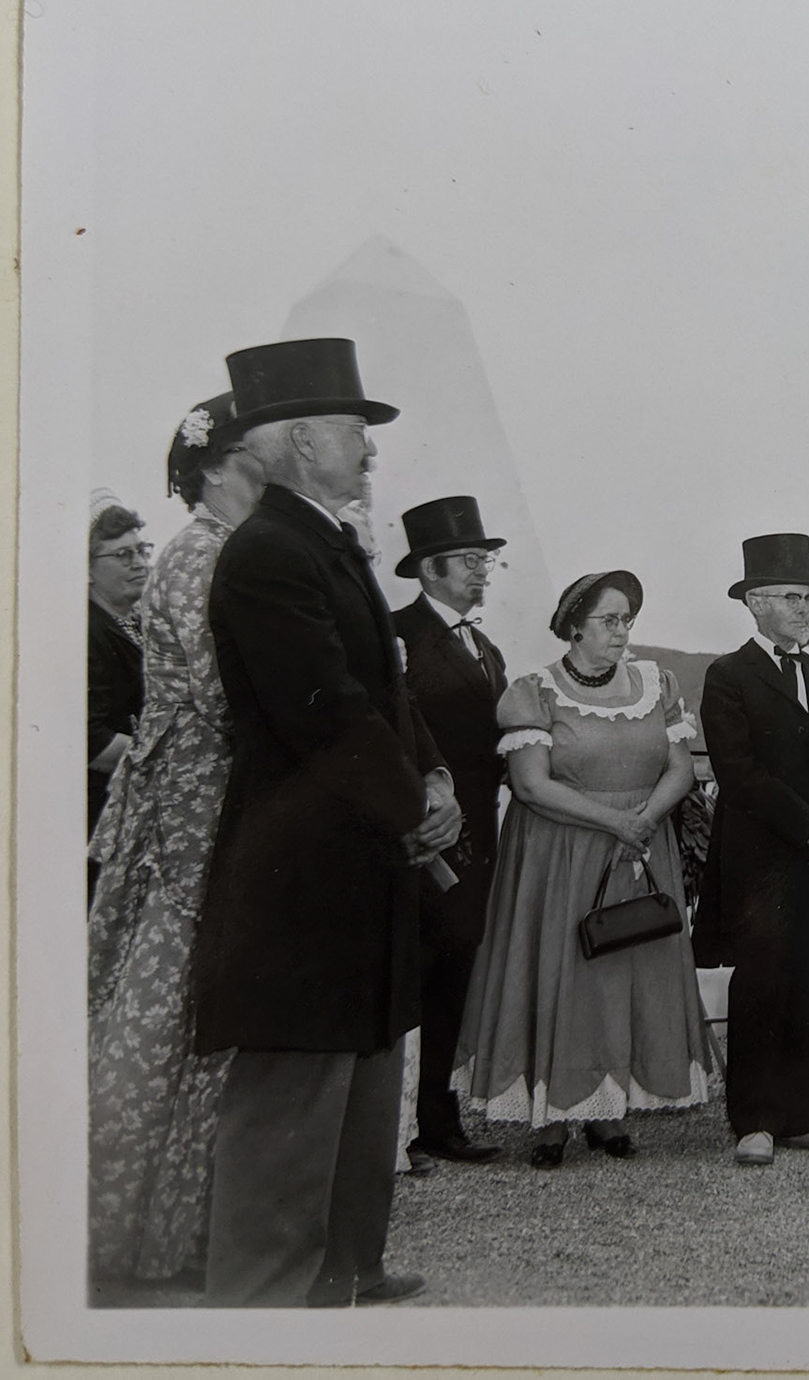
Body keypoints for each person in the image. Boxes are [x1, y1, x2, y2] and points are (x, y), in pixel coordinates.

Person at [193, 338, 460, 1307]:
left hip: (358, 873)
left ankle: (346, 1277)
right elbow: (328, 711)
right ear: (304, 441)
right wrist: (415, 811)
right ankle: (262, 1313)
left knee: (360, 1090)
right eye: (355, 430)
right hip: (301, 889)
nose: (370, 449)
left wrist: (435, 778)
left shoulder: (323, 541)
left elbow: (386, 694)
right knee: (290, 1116)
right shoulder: (267, 554)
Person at [87, 396, 262, 1287]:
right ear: (225, 459)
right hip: (196, 802)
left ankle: (197, 1219)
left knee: (201, 997)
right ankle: (165, 1229)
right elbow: (220, 695)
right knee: (183, 999)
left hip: (211, 794)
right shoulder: (197, 558)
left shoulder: (226, 549)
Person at [457, 570, 710, 1167]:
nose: (623, 631)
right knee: (564, 974)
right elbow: (530, 784)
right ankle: (552, 1123)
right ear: (574, 626)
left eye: (628, 619)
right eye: (609, 620)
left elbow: (681, 767)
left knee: (625, 974)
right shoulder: (535, 691)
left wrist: (644, 819)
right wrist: (613, 822)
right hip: (561, 855)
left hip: (640, 849)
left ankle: (609, 1109)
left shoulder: (658, 683)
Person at [696, 535, 809, 1165]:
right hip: (761, 861)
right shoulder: (727, 675)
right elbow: (739, 773)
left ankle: (802, 1112)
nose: (808, 611)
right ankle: (754, 1119)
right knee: (762, 981)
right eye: (794, 598)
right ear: (755, 603)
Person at [390, 496, 511, 1167]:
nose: (483, 571)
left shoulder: (484, 645)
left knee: (455, 974)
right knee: (418, 971)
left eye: (485, 559)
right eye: (471, 560)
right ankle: (405, 1121)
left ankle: (437, 1118)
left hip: (478, 837)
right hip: (424, 837)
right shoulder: (397, 634)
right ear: (431, 567)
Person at [88, 490, 150, 904]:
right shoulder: (88, 631)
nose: (140, 563)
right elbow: (89, 741)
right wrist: (160, 756)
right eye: (123, 555)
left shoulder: (134, 620)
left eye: (142, 549)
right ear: (87, 569)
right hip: (101, 810)